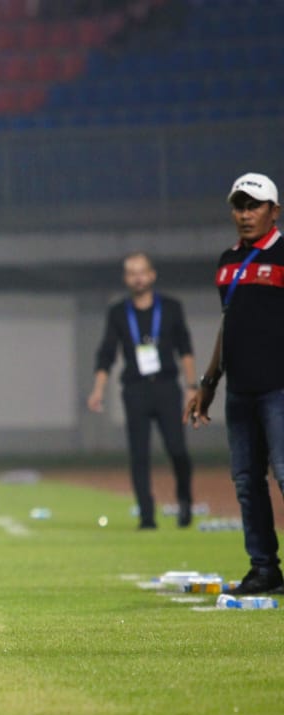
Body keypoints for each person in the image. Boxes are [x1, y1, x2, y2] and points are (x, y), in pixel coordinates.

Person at [187, 172, 284, 595]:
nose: (245, 214)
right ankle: (264, 569)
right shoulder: (228, 262)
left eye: (254, 206)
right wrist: (209, 381)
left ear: (273, 211)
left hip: (280, 386)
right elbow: (229, 327)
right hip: (240, 390)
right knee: (246, 481)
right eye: (239, 206)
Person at [87, 252, 196, 529]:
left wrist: (192, 387)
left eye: (142, 271)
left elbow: (184, 348)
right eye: (131, 273)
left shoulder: (171, 308)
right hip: (135, 389)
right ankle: (146, 516)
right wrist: (98, 389)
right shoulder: (118, 312)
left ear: (152, 275)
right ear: (126, 278)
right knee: (139, 454)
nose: (137, 277)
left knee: (177, 449)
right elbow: (107, 353)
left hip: (167, 387)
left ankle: (185, 500)